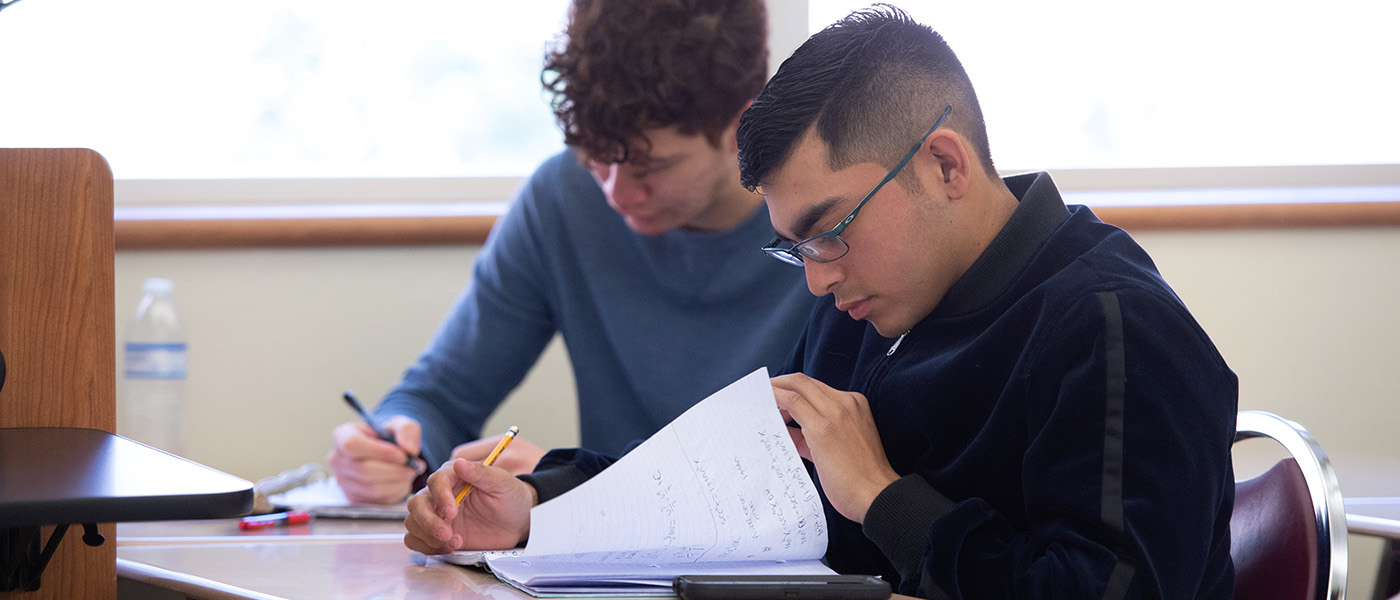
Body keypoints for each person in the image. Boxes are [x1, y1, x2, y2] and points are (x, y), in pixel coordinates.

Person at [404, 6, 1239, 599]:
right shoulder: (868, 311)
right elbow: (730, 494)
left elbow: (1105, 590)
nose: (815, 277)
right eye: (794, 245)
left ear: (945, 166)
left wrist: (882, 496)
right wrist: (541, 509)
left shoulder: (1114, 329)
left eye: (828, 228)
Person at [329, 0, 815, 504]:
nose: (616, 194)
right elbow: (438, 397)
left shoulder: (826, 228)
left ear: (742, 123)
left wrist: (569, 480)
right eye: (593, 159)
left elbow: (829, 479)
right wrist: (390, 444)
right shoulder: (561, 197)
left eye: (651, 168)